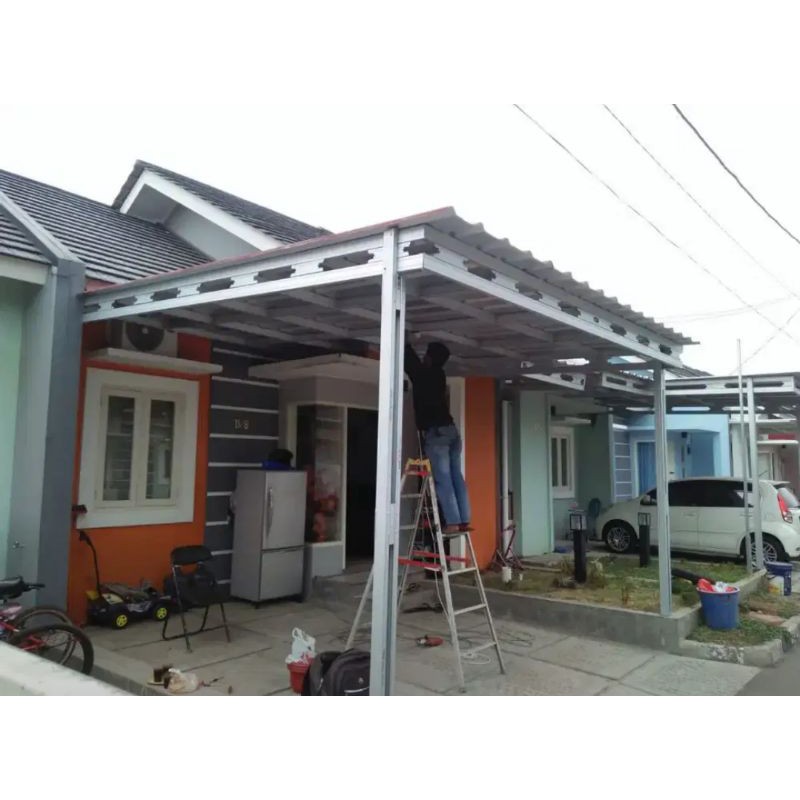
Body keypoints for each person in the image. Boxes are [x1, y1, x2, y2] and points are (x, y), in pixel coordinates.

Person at [404, 340, 470, 533]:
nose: (424, 357)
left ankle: (453, 523)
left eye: (427, 355)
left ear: (430, 358)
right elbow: (416, 367)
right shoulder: (438, 375)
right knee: (456, 476)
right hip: (450, 432)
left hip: (438, 433)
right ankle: (463, 519)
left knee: (443, 480)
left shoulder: (425, 375)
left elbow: (411, 363)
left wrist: (404, 341)